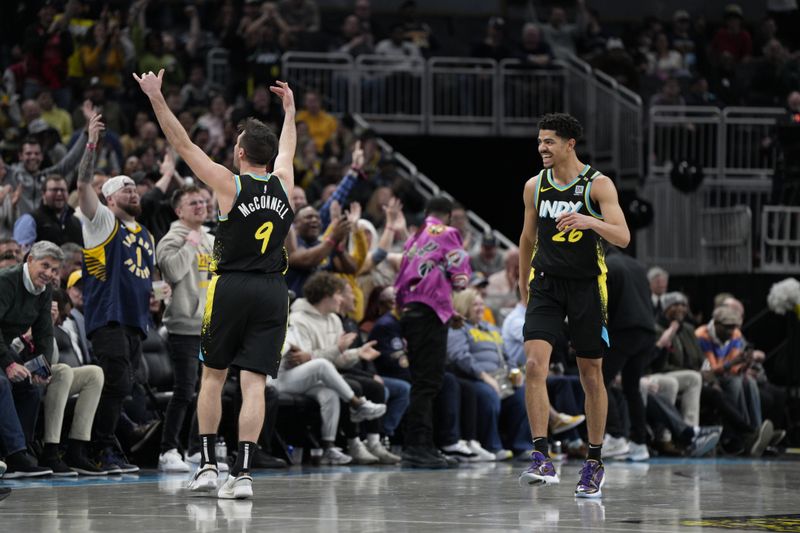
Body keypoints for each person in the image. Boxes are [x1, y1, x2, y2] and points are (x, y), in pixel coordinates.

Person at [136, 69, 297, 500]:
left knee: (211, 377)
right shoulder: (284, 183)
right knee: (254, 384)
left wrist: (156, 96)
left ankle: (208, 465)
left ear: (240, 152)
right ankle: (242, 475)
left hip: (231, 287)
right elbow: (288, 149)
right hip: (272, 292)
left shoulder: (230, 184)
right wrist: (290, 112)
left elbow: (183, 143)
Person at [517, 113, 630, 498]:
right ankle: (540, 456)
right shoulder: (534, 186)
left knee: (591, 374)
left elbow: (623, 236)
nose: (542, 148)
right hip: (546, 284)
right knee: (533, 364)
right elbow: (527, 238)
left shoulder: (598, 185)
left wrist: (589, 221)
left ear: (569, 144)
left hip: (586, 286)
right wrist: (522, 285)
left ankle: (594, 462)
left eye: (549, 141)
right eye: (539, 141)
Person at [75, 112, 150, 475]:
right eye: (125, 187)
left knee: (122, 386)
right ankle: (100, 449)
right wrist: (92, 141)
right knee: (116, 382)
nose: (133, 191)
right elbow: (82, 182)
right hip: (107, 316)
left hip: (135, 320)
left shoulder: (145, 234)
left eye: (135, 187)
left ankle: (109, 446)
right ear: (108, 198)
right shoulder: (102, 221)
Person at [394, 195, 472, 468]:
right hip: (428, 318)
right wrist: (461, 279)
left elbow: (417, 281)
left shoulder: (414, 238)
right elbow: (458, 274)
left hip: (411, 314)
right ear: (448, 216)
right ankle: (417, 446)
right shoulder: (448, 232)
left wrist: (449, 313)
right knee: (428, 383)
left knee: (420, 381)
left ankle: (423, 444)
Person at [155, 185, 215, 473]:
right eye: (193, 203)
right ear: (179, 210)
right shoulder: (171, 239)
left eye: (203, 201)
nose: (201, 206)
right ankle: (168, 449)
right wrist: (190, 244)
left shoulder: (210, 239)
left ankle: (194, 449)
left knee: (207, 391)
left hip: (208, 325)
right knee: (184, 390)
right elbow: (174, 272)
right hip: (182, 325)